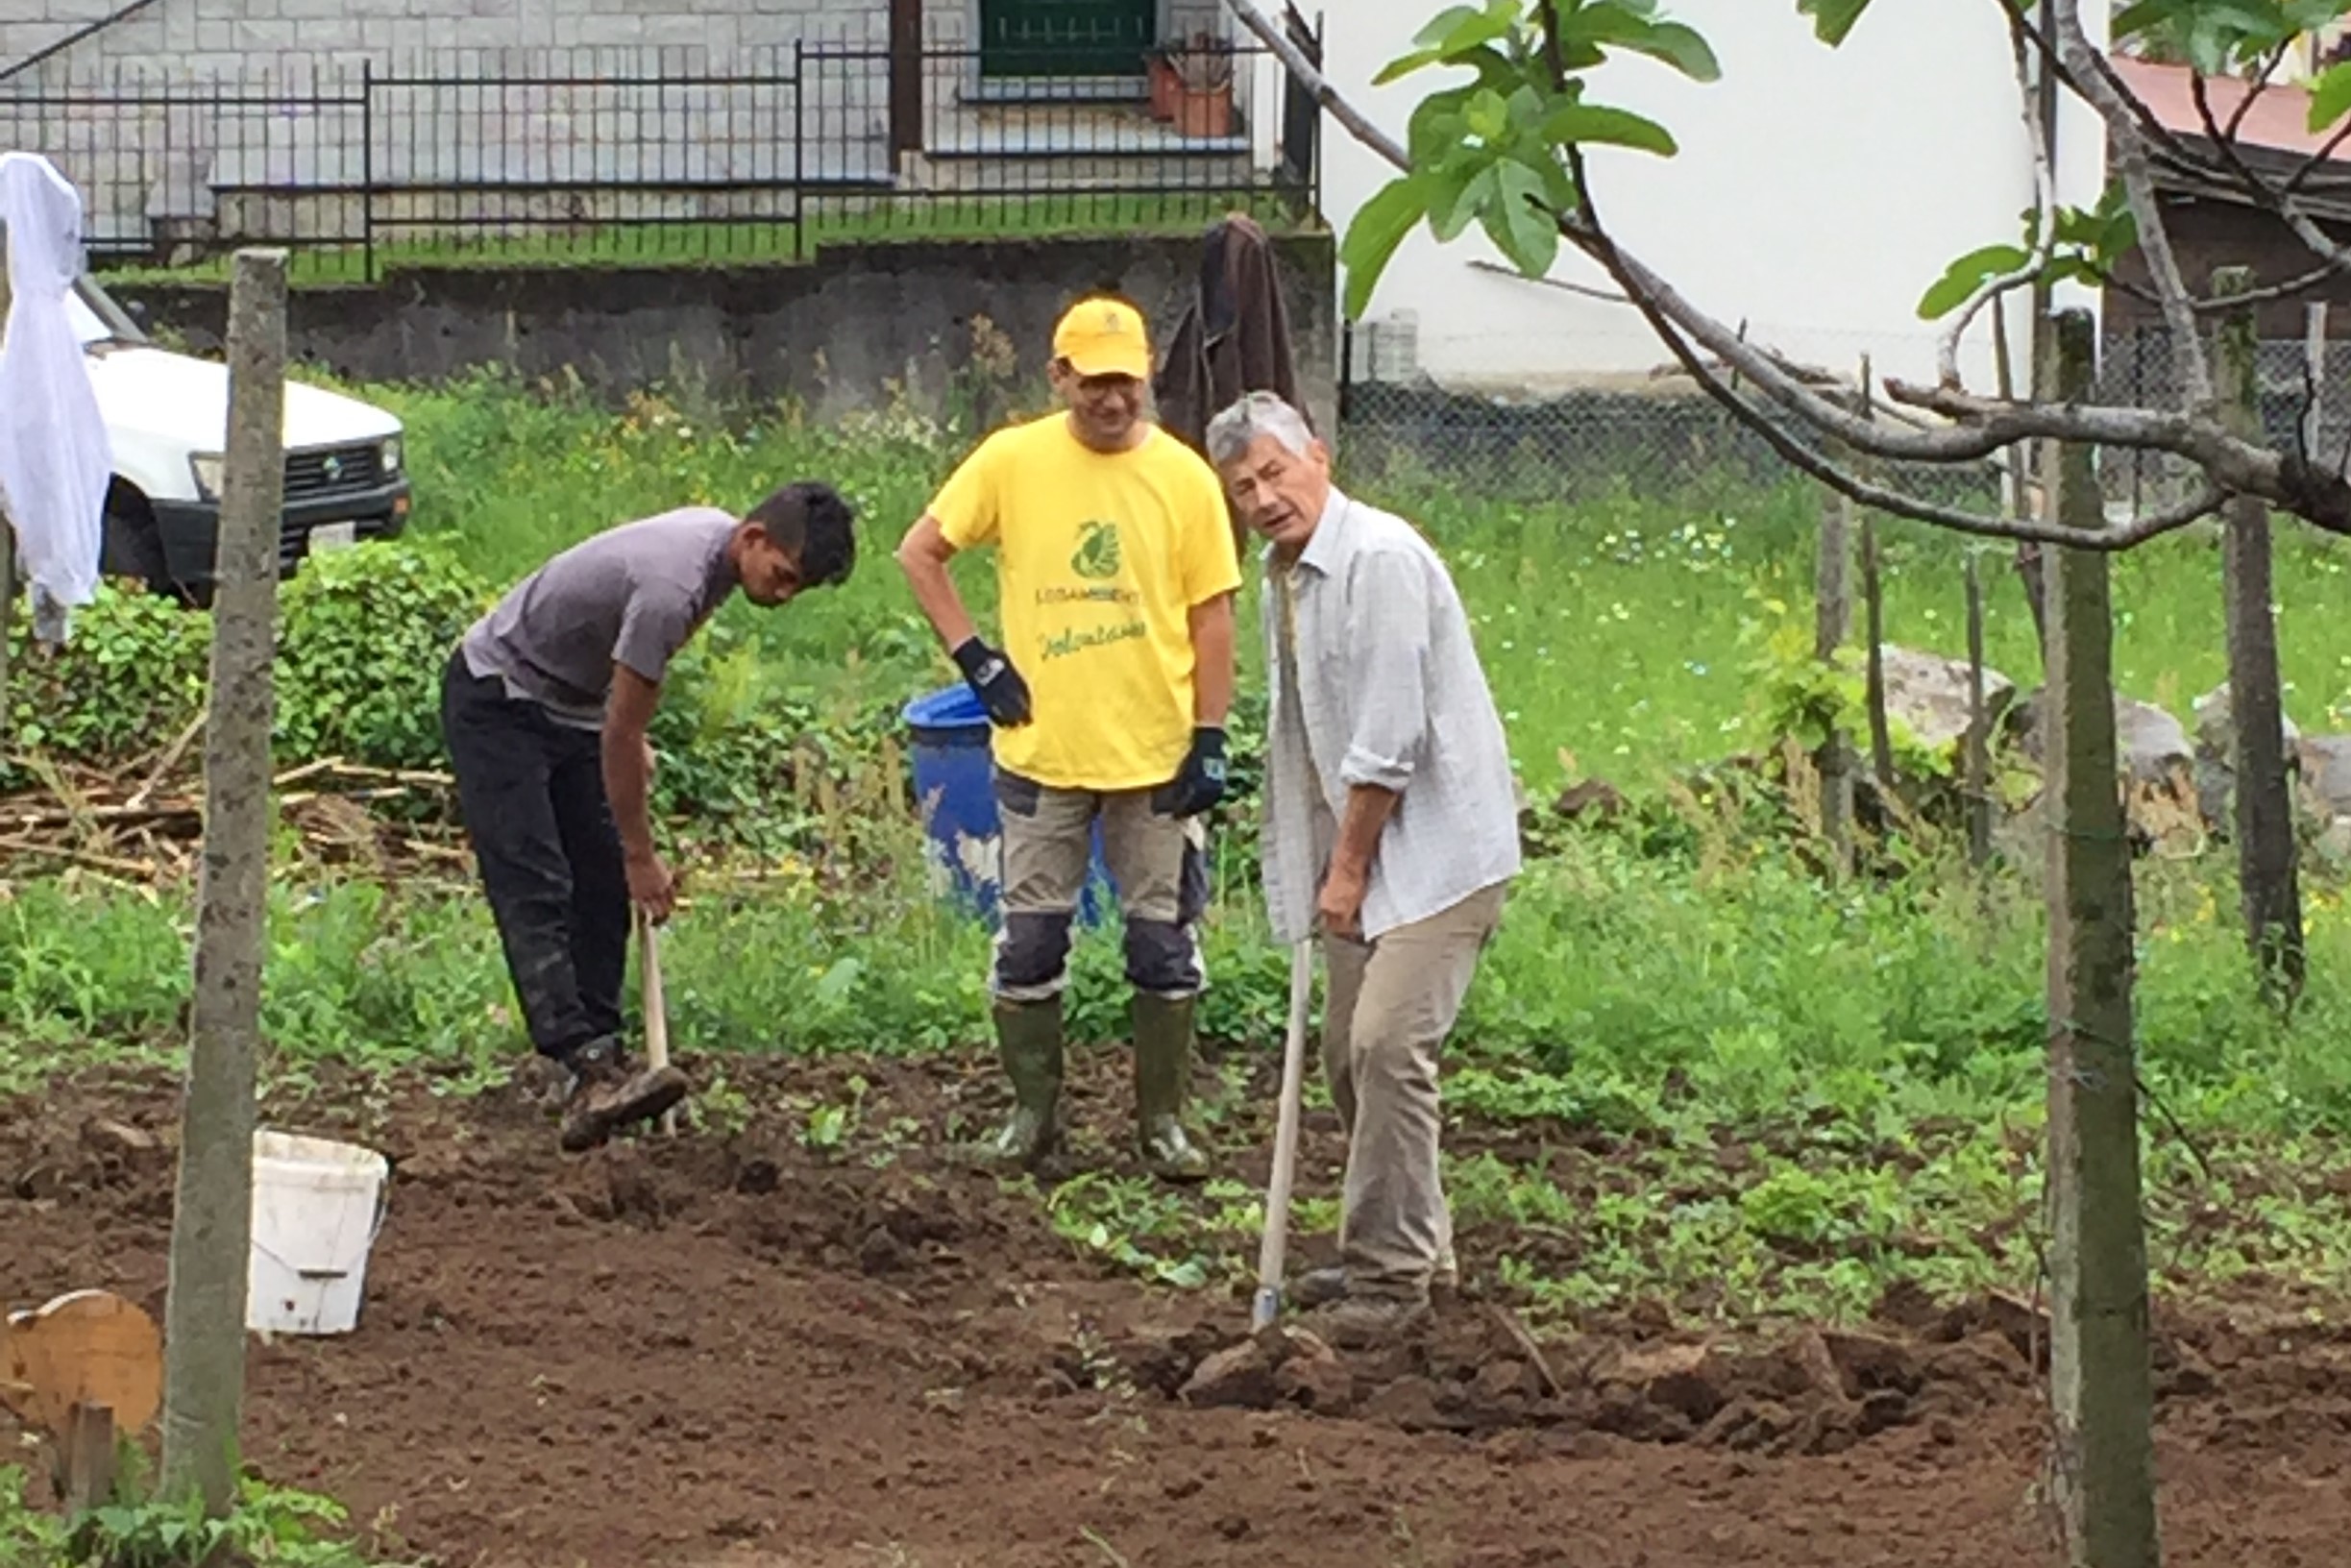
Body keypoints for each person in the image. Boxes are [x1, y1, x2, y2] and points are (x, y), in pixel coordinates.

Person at [896, 294, 1241, 1182]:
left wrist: (1209, 735)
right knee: (1030, 943)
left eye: (1125, 382)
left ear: (1146, 378)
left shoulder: (1185, 478)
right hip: (1043, 754)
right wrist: (974, 658)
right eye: (1092, 383)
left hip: (1153, 760)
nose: (1111, 399)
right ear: (1059, 377)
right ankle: (1031, 1117)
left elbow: (1212, 615)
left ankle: (1160, 1123)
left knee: (1161, 946)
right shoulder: (1011, 461)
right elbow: (921, 552)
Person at [1206, 390, 1522, 1345]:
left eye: (1273, 471)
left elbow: (1385, 742)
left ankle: (1389, 1286)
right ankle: (1419, 1250)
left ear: (1319, 457)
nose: (1262, 496)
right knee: (1349, 1054)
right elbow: (1305, 730)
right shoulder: (1286, 575)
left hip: (1436, 855)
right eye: (1242, 485)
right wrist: (1316, 855)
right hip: (1365, 851)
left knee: (1386, 1045)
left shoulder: (1376, 561)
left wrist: (1342, 871)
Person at [441, 483, 858, 1153]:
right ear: (752, 538)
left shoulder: (714, 547)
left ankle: (600, 1059)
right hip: (499, 693)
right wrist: (643, 850)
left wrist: (629, 740)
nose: (782, 598)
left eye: (795, 590)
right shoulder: (674, 586)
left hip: (569, 702)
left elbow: (622, 706)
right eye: (781, 578)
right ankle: (577, 1063)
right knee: (537, 880)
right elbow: (618, 732)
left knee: (600, 883)